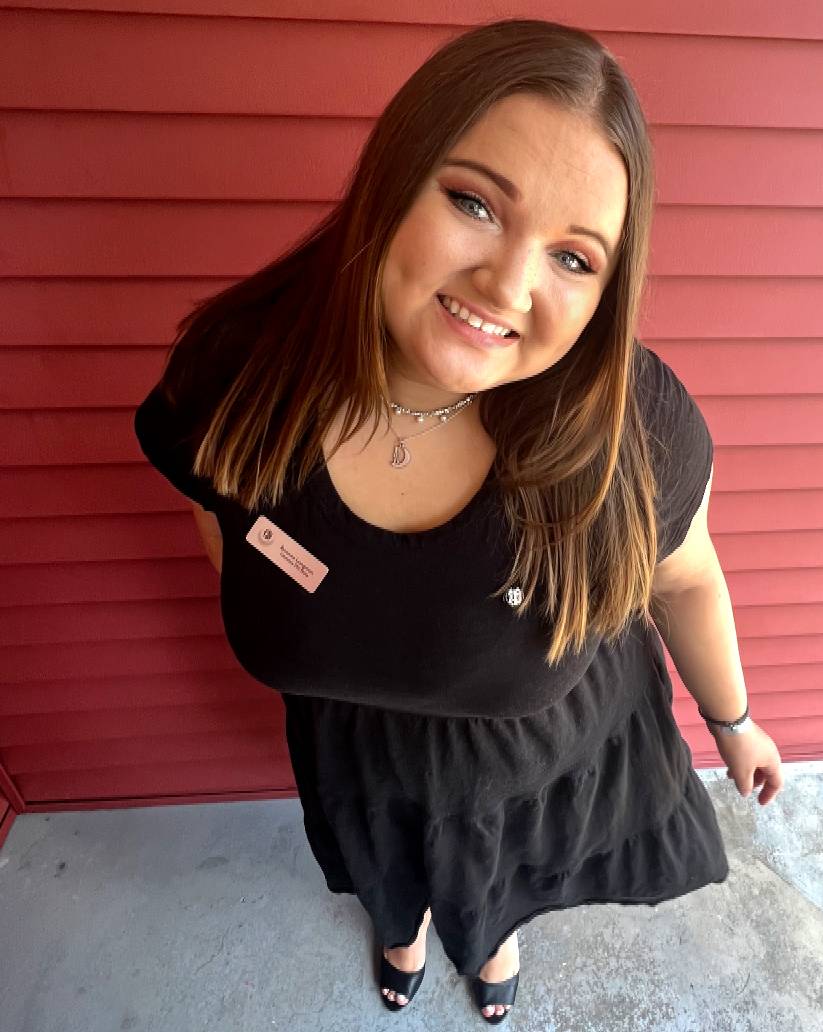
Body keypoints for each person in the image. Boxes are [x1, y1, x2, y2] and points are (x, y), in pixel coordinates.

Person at [132, 17, 784, 1024]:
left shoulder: (636, 429)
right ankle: (403, 927)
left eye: (574, 259)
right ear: (395, 177)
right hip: (359, 763)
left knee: (503, 882)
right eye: (475, 203)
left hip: (540, 760)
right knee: (387, 869)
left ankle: (494, 932)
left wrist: (734, 722)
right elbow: (219, 522)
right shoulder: (234, 376)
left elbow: (687, 577)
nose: (508, 285)